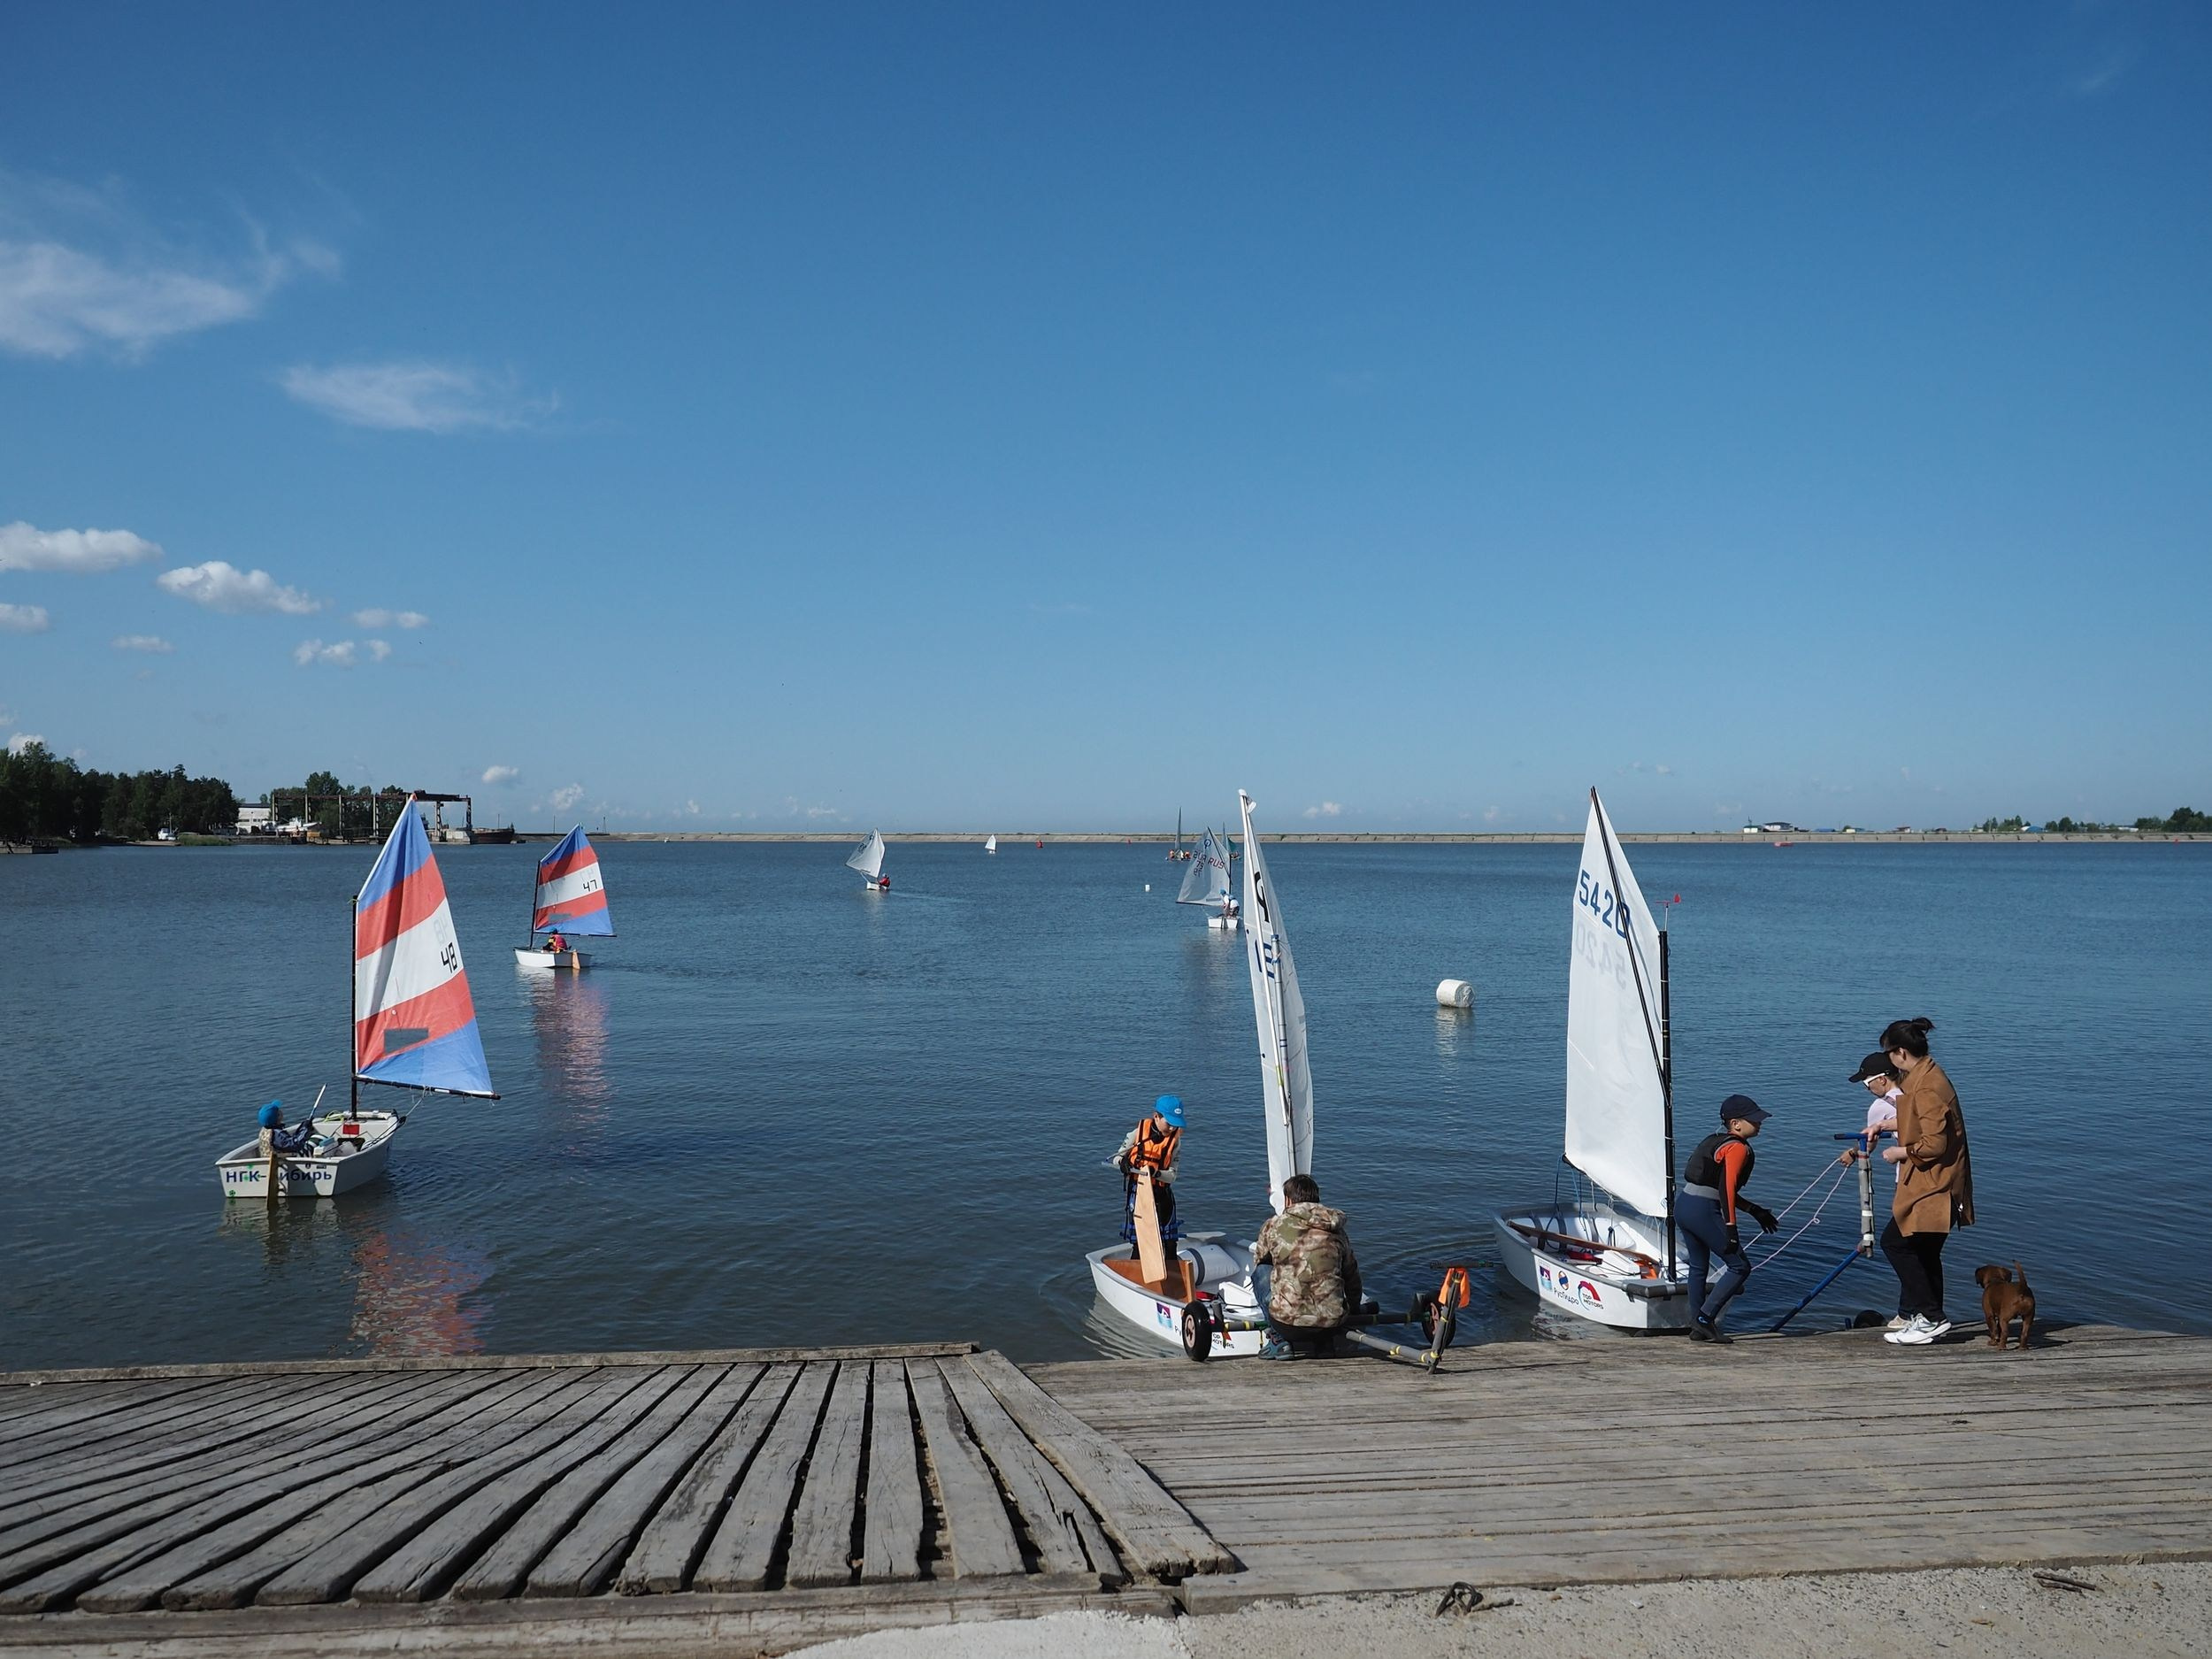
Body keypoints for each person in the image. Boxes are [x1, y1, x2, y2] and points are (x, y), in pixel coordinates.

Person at [1877, 1017, 1975, 1347]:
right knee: (1925, 1249)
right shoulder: (1923, 1076)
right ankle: (1926, 1317)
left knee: (1896, 1243)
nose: (1889, 1061)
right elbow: (1920, 1120)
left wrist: (1900, 1152)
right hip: (1936, 1178)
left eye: (1889, 1054)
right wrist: (1887, 1125)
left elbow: (1935, 1143)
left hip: (1936, 1181)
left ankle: (1931, 1316)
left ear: (1900, 1052)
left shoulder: (1929, 1084)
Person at [1676, 1095, 1780, 1343]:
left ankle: (1697, 1326)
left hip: (1684, 1205)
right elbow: (1726, 1189)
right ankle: (1704, 1319)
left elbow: (1718, 1188)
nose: (1759, 1123)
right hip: (1703, 1210)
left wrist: (1755, 1210)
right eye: (1754, 1119)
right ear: (1735, 1124)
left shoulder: (1716, 1140)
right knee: (1740, 1267)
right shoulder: (1737, 1147)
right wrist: (1731, 1228)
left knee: (1699, 1267)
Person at [1254, 1173, 1363, 1360]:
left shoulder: (1273, 1226)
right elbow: (1351, 1275)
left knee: (1261, 1271)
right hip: (1332, 1324)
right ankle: (1324, 1342)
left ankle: (1278, 1340)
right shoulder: (1337, 1230)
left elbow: (1260, 1260)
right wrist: (1354, 1309)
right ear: (1317, 1200)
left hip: (1287, 1325)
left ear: (1288, 1200)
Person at [1839, 1052, 1911, 1330]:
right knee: (1919, 1248)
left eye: (1867, 1083)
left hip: (1905, 1178)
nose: (1867, 1089)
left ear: (1882, 1080)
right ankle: (1920, 1309)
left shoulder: (1880, 1107)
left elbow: (1867, 1144)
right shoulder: (1913, 1094)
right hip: (1929, 1177)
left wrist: (1851, 1153)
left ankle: (1910, 1312)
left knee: (1898, 1244)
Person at [1113, 1094, 1185, 1255]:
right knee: (1140, 1243)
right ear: (1156, 1117)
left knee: (1170, 1243)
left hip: (1162, 1194)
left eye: (1176, 1124)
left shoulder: (1175, 1141)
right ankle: (1136, 1271)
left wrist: (1156, 1173)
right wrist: (1122, 1163)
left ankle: (1173, 1272)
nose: (1172, 1128)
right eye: (1169, 1123)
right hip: (1139, 1192)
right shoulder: (1137, 1133)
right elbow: (1116, 1158)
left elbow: (1172, 1176)